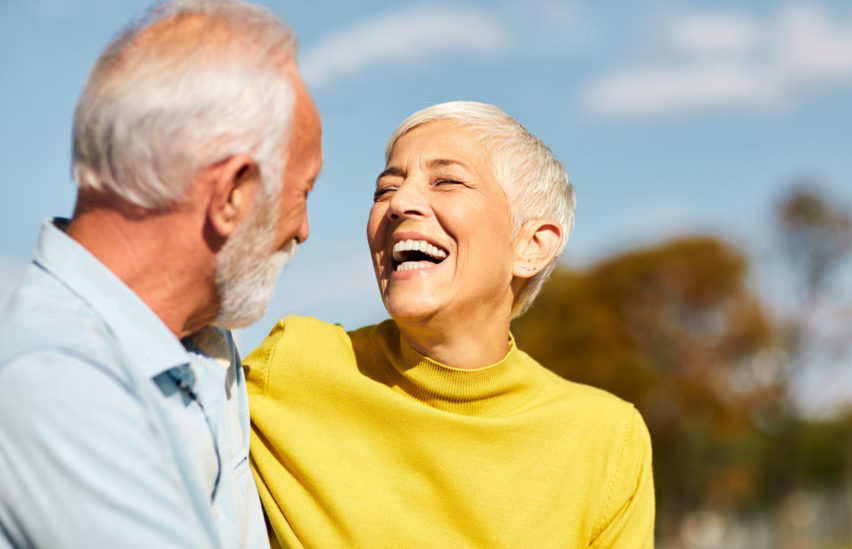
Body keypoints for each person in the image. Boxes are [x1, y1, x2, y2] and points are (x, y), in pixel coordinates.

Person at [246, 101, 654, 548]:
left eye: (446, 181)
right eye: (385, 190)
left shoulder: (607, 440)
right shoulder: (291, 364)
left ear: (532, 246)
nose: (400, 203)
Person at [0, 1, 321, 547]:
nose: (304, 230)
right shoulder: (56, 380)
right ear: (232, 195)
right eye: (303, 193)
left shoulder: (204, 344)